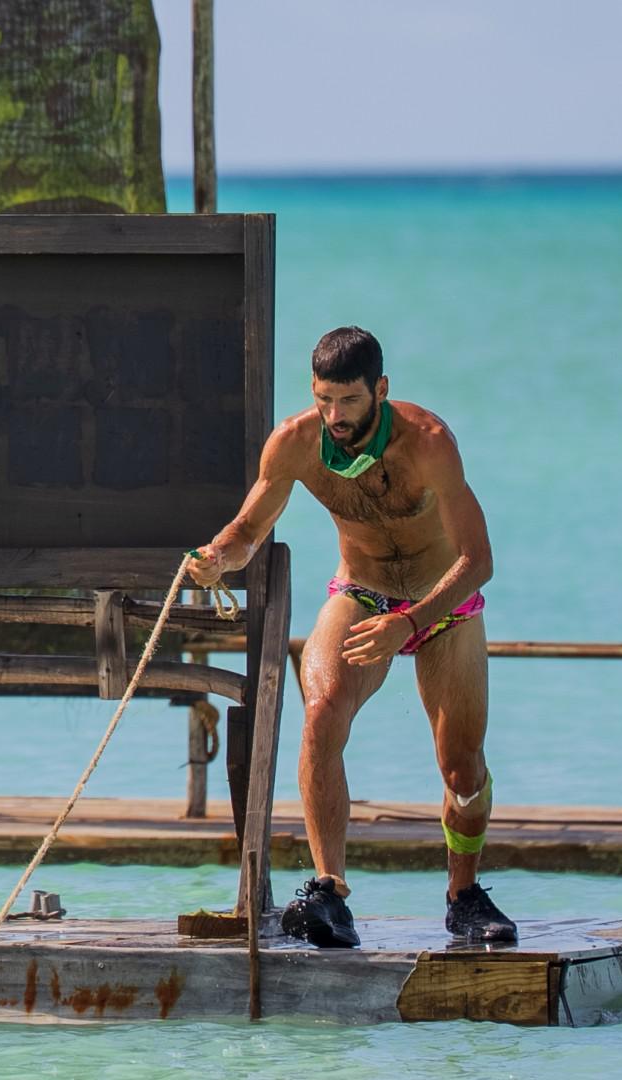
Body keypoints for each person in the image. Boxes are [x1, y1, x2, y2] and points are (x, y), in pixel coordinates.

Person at [188, 326, 517, 947]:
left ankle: (464, 896)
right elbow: (249, 526)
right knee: (321, 713)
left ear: (381, 391)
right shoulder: (295, 442)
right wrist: (216, 557)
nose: (334, 416)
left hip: (442, 606)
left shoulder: (428, 443)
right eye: (324, 399)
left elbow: (478, 560)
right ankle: (330, 891)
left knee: (461, 769)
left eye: (349, 402)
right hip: (361, 594)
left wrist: (411, 622)